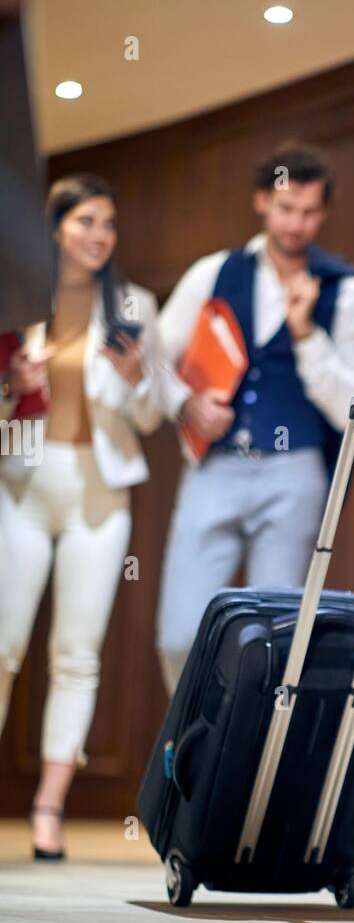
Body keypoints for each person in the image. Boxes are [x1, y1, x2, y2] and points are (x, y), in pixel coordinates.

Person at [0, 174, 188, 859]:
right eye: (85, 221)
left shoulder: (135, 304)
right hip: (21, 481)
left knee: (76, 655)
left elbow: (150, 415)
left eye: (108, 223)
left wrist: (141, 377)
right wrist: (11, 385)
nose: (99, 235)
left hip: (101, 495)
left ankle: (49, 809)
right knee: (3, 647)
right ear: (55, 228)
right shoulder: (18, 293)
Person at [155, 145, 354, 693]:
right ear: (261, 201)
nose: (295, 223)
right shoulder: (213, 273)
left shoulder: (348, 291)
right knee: (179, 635)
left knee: (272, 643)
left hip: (294, 474)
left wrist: (306, 337)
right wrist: (184, 404)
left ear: (323, 213)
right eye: (285, 208)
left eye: (307, 211)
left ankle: (254, 769)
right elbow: (153, 356)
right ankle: (194, 756)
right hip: (215, 468)